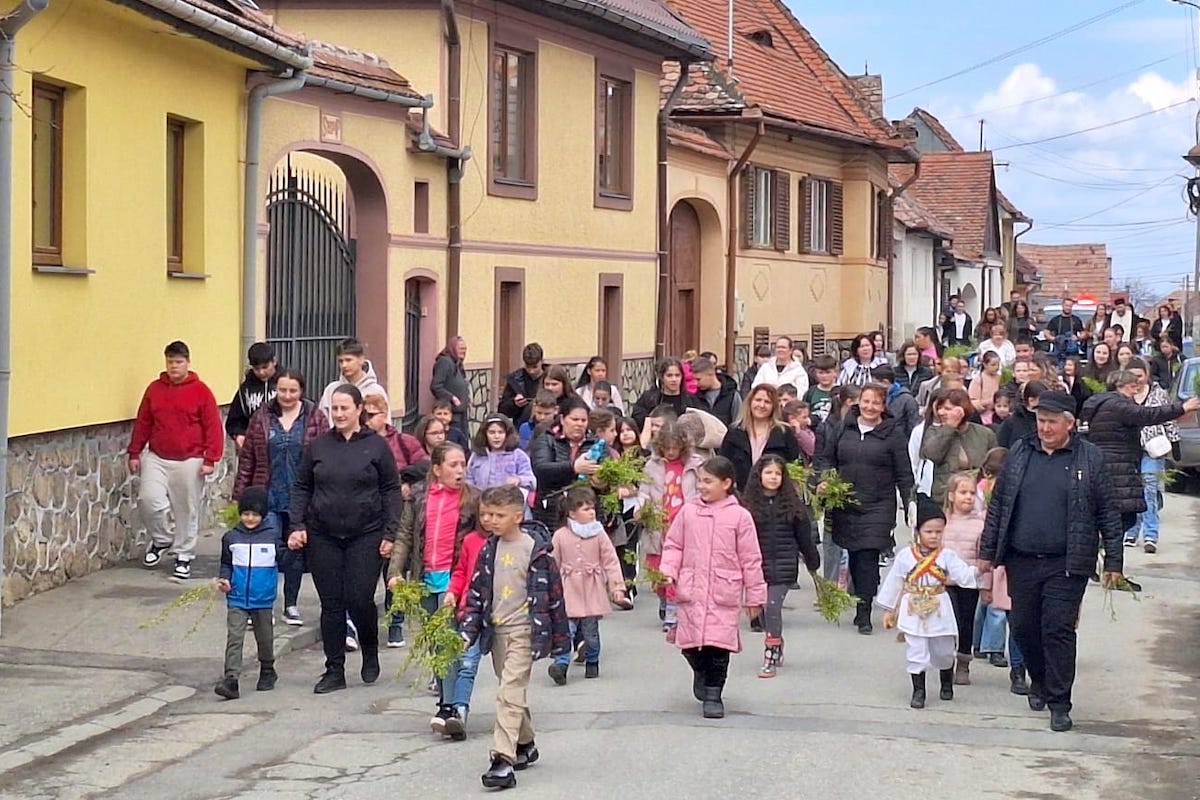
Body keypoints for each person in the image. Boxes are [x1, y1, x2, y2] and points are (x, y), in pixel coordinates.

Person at [980, 390, 1125, 732]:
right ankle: (1040, 680)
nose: (1044, 428)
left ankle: (1060, 702)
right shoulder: (1020, 452)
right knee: (1024, 627)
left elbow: (1109, 512)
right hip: (1021, 558)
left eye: (1051, 422)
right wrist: (987, 552)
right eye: (1040, 421)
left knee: (1057, 630)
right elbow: (1000, 504)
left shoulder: (1090, 459)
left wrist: (1115, 562)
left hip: (1066, 561)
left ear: (1070, 424)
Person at [288, 384, 402, 694]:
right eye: (333, 409)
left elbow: (391, 490)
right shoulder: (318, 446)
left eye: (344, 408)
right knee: (332, 603)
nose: (338, 414)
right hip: (323, 533)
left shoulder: (376, 446)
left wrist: (390, 533)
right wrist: (297, 524)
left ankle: (369, 647)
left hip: (366, 534)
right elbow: (302, 487)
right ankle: (334, 669)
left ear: (358, 410)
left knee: (359, 598)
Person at [460, 486, 569, 790]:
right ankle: (526, 743)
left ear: (517, 517)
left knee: (509, 692)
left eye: (498, 515)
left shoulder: (537, 551)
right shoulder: (488, 549)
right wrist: (467, 630)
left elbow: (555, 598)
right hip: (498, 631)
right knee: (511, 690)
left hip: (525, 631)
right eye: (486, 514)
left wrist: (561, 642)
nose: (490, 520)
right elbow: (477, 594)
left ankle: (502, 761)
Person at [659, 456, 766, 719]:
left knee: (718, 647)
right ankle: (700, 670)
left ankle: (713, 693)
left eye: (708, 481)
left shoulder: (740, 516)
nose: (702, 487)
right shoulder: (688, 512)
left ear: (726, 483)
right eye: (700, 481)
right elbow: (674, 545)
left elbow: (750, 558)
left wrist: (755, 597)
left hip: (723, 590)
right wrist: (667, 572)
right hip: (692, 588)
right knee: (690, 643)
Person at [389, 442, 481, 732]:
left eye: (463, 465)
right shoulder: (419, 498)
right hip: (425, 578)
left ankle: (450, 705)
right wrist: (395, 571)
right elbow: (404, 536)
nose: (460, 471)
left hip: (455, 581)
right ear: (437, 469)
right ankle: (445, 699)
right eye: (453, 465)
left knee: (449, 642)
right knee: (434, 643)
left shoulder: (473, 499)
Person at [234, 369, 330, 627]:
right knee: (268, 551)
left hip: (302, 497)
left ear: (301, 391)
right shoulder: (262, 417)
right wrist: (242, 495)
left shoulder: (315, 417)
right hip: (269, 495)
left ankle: (291, 604)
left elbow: (325, 457)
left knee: (295, 552)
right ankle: (262, 605)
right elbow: (248, 458)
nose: (287, 395)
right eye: (282, 390)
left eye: (292, 390)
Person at [816, 383, 914, 634]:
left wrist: (911, 505)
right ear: (858, 402)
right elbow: (826, 458)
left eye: (876, 403)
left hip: (878, 504)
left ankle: (865, 610)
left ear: (884, 406)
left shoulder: (893, 434)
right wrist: (826, 479)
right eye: (866, 401)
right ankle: (861, 595)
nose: (870, 407)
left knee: (867, 556)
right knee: (854, 554)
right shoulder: (843, 428)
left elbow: (904, 473)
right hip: (846, 502)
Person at [128, 340, 224, 581]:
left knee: (186, 509)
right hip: (158, 456)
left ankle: (183, 555)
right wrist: (134, 451)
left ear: (188, 363)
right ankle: (161, 539)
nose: (174, 367)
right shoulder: (154, 389)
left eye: (179, 362)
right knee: (148, 499)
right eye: (170, 362)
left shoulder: (201, 391)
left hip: (190, 459)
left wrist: (211, 458)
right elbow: (143, 422)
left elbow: (213, 426)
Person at [876, 497, 979, 709]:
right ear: (918, 532)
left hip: (939, 606)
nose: (934, 536)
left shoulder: (947, 556)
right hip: (913, 607)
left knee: (943, 650)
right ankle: (919, 690)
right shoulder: (906, 556)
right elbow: (894, 581)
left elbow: (963, 575)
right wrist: (888, 609)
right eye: (929, 531)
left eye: (938, 532)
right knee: (916, 649)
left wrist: (980, 573)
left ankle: (946, 679)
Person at [1081, 371, 1198, 532]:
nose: (1135, 392)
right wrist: (1183, 408)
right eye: (1132, 387)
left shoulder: (1098, 403)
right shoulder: (1120, 406)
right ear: (1119, 386)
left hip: (1101, 463)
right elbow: (1149, 415)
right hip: (1118, 466)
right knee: (1120, 520)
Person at [743, 455, 819, 679]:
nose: (773, 477)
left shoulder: (793, 506)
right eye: (769, 473)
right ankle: (777, 640)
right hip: (758, 565)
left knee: (773, 605)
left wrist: (811, 560)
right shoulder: (748, 506)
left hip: (785, 565)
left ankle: (770, 653)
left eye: (778, 473)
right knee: (764, 612)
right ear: (759, 476)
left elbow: (804, 537)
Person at [547, 487, 630, 684]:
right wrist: (550, 591)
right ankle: (561, 664)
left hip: (592, 588)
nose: (591, 512)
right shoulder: (560, 535)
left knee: (591, 631)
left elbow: (611, 561)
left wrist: (616, 587)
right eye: (585, 509)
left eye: (592, 508)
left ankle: (592, 659)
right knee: (566, 630)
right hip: (568, 590)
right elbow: (552, 564)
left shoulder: (599, 533)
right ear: (571, 513)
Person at [364, 391, 428, 647]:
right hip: (367, 515)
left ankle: (395, 622)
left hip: (396, 515)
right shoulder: (357, 442)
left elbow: (425, 464)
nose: (367, 420)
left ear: (384, 415)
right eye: (364, 414)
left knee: (394, 570)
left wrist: (402, 479)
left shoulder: (403, 442)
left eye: (372, 415)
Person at [213, 487, 279, 701]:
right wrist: (224, 578)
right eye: (246, 513)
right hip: (237, 597)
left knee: (265, 637)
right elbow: (225, 563)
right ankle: (231, 678)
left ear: (263, 515)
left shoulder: (272, 537)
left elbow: (285, 559)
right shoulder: (231, 538)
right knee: (235, 637)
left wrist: (295, 551)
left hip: (263, 598)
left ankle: (268, 668)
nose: (250, 518)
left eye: (255, 514)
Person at [640, 421, 704, 631]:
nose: (670, 452)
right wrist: (641, 508)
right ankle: (665, 599)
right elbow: (644, 490)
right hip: (659, 523)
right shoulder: (652, 465)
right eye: (666, 448)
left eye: (675, 448)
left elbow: (701, 490)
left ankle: (672, 611)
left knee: (678, 569)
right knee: (657, 569)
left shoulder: (695, 464)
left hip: (684, 523)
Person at [1121, 358, 1180, 553]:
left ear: (1146, 375)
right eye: (1133, 376)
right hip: (1129, 449)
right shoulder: (1123, 395)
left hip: (1152, 449)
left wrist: (1175, 442)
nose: (1137, 380)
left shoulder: (1159, 394)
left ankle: (1150, 534)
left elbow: (1168, 418)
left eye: (1140, 376)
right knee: (1132, 491)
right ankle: (1131, 530)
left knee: (1149, 489)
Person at [940, 472, 987, 688]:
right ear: (951, 496)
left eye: (971, 493)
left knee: (966, 623)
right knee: (948, 624)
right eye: (962, 492)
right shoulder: (941, 521)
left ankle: (963, 662)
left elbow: (984, 557)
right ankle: (946, 664)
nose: (968, 497)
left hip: (969, 582)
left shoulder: (980, 523)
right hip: (943, 583)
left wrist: (985, 584)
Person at [921, 389, 997, 505]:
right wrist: (949, 427)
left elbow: (994, 467)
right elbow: (932, 454)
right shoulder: (934, 431)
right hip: (945, 498)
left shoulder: (985, 434)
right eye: (939, 408)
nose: (941, 412)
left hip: (977, 498)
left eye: (947, 409)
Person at [718, 384, 800, 491]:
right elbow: (724, 463)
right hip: (742, 492)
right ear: (750, 402)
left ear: (774, 406)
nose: (762, 405)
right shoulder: (735, 431)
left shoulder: (784, 432)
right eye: (758, 400)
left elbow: (794, 461)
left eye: (767, 402)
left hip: (775, 494)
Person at [529, 398, 596, 528]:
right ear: (562, 419)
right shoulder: (547, 439)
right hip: (551, 511)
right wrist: (573, 468)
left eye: (583, 420)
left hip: (586, 514)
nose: (579, 424)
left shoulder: (596, 444)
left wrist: (600, 482)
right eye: (574, 419)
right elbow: (541, 469)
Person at [225, 342, 278, 450]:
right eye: (257, 369)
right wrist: (239, 435)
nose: (261, 372)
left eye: (265, 367)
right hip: (254, 449)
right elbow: (234, 420)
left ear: (274, 361)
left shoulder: (287, 383)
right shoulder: (246, 388)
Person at [467, 414, 536, 495]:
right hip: (481, 503)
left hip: (509, 503)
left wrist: (519, 480)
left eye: (501, 432)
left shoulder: (518, 455)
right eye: (492, 432)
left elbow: (531, 481)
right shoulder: (477, 455)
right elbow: (468, 479)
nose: (497, 436)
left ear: (507, 434)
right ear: (485, 434)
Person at [319, 337, 387, 416]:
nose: (344, 365)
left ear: (361, 360)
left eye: (348, 360)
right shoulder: (331, 390)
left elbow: (386, 425)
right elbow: (321, 422)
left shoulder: (376, 391)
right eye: (341, 361)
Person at [631, 357, 693, 427]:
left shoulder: (691, 400)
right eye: (669, 375)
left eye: (677, 375)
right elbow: (637, 418)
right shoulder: (649, 399)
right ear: (662, 377)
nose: (674, 379)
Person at [498, 343, 546, 428]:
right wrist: (514, 404)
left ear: (541, 361)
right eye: (528, 367)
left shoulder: (552, 377)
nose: (531, 371)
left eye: (535, 367)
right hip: (522, 426)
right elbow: (502, 410)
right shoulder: (515, 380)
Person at [431, 336, 470, 435]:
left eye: (465, 349)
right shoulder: (444, 362)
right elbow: (436, 386)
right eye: (461, 349)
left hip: (460, 413)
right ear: (453, 348)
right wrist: (452, 398)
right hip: (450, 415)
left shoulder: (457, 363)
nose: (464, 351)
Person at [689, 356, 742, 426]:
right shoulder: (694, 397)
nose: (696, 383)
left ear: (710, 374)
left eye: (698, 379)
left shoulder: (732, 395)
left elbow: (738, 423)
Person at [873, 364, 920, 441]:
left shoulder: (907, 399)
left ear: (885, 382)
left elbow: (913, 425)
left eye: (875, 383)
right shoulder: (877, 396)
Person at [968, 351, 1003, 424]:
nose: (996, 367)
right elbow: (972, 401)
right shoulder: (978, 380)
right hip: (983, 416)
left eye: (998, 365)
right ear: (985, 364)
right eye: (993, 365)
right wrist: (989, 402)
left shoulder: (999, 378)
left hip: (998, 413)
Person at [802, 355, 839, 423]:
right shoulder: (810, 393)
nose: (824, 376)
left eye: (828, 372)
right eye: (821, 373)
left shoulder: (840, 392)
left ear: (835, 373)